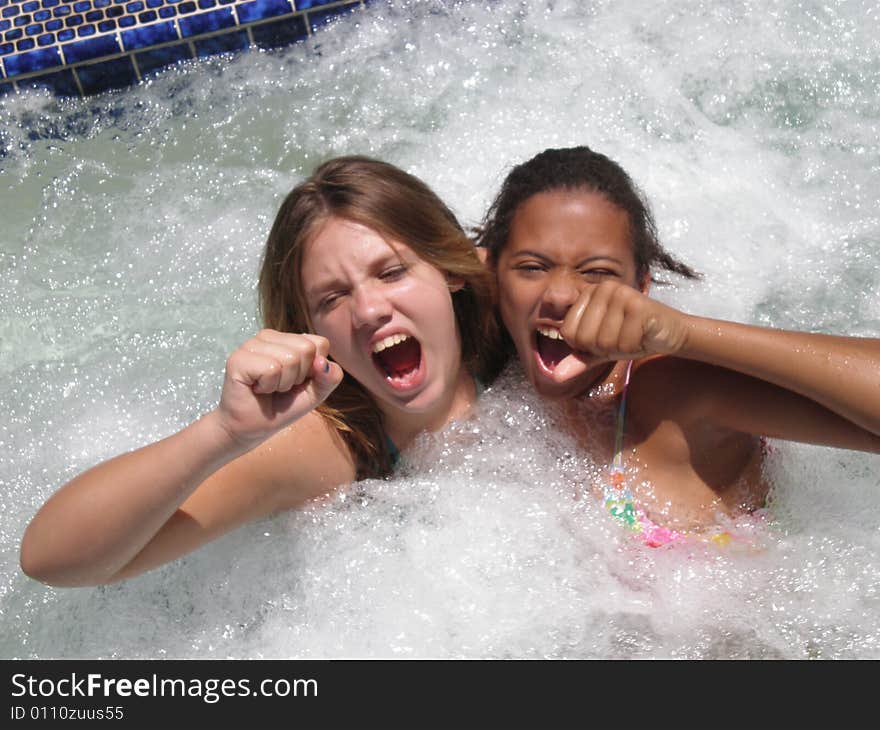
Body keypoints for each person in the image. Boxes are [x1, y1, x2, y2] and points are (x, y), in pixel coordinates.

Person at [20, 156, 500, 586]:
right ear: (307, 329)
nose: (369, 309)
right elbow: (50, 560)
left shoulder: (516, 330)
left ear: (450, 270)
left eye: (391, 272)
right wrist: (224, 433)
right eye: (332, 298)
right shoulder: (324, 448)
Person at [476, 146, 880, 545]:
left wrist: (685, 334)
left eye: (597, 273)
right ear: (493, 274)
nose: (560, 294)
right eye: (531, 267)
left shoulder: (671, 391)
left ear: (641, 289)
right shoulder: (483, 365)